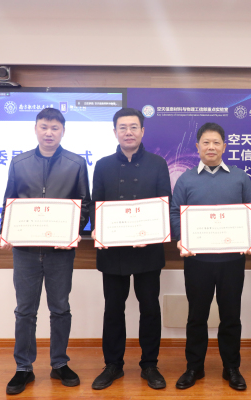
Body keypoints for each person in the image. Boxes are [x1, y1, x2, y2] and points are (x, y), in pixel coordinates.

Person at [0, 107, 90, 395]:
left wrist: (73, 232)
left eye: (55, 128)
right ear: (35, 129)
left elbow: (84, 204)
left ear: (63, 131)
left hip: (60, 251)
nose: (49, 133)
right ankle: (23, 367)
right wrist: (5, 232)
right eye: (44, 127)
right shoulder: (19, 162)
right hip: (25, 250)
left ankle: (59, 363)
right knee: (25, 310)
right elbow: (10, 202)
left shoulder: (76, 163)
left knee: (60, 308)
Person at [170, 122, 251, 391]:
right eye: (206, 143)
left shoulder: (240, 177)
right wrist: (182, 238)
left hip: (232, 261)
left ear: (224, 146)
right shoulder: (186, 179)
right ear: (197, 147)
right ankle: (194, 367)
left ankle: (231, 368)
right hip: (197, 261)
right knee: (196, 316)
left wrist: (249, 236)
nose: (211, 147)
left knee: (231, 316)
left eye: (216, 142)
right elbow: (175, 213)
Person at [90, 108, 171, 390]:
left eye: (134, 127)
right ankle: (113, 364)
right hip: (113, 252)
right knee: (114, 309)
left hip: (148, 250)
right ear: (115, 132)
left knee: (150, 308)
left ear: (142, 131)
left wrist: (152, 232)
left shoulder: (158, 164)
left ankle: (150, 365)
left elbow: (164, 204)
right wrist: (98, 228)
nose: (128, 132)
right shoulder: (102, 165)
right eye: (122, 127)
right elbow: (96, 204)